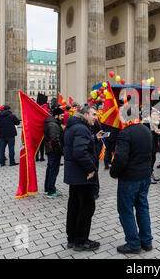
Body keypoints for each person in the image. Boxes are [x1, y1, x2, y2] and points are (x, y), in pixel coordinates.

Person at [110, 108, 153, 254]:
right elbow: (151, 153)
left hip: (130, 178)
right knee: (142, 207)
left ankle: (134, 244)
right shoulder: (146, 130)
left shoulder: (125, 133)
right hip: (145, 176)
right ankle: (147, 242)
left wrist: (113, 172)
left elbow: (121, 158)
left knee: (125, 210)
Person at [64, 106, 103, 252]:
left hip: (75, 174)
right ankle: (81, 241)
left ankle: (72, 238)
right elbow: (80, 152)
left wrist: (94, 138)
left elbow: (76, 145)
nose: (96, 117)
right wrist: (91, 169)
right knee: (87, 207)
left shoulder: (74, 126)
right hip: (82, 175)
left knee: (74, 206)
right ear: (85, 114)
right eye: (93, 115)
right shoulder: (81, 128)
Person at [44, 108, 65, 198]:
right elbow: (54, 140)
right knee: (53, 170)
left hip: (50, 150)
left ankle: (48, 188)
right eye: (61, 116)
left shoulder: (52, 123)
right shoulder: (53, 125)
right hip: (54, 151)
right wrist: (60, 150)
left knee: (50, 169)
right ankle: (51, 191)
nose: (62, 117)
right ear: (56, 115)